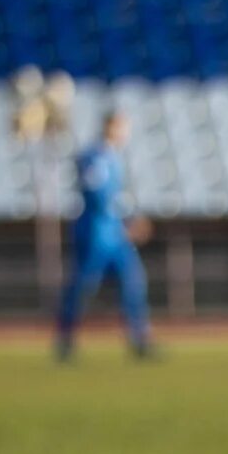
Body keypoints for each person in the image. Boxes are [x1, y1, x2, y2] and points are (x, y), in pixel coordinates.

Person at [52, 111, 155, 362]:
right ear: (111, 127)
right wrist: (127, 220)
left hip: (114, 233)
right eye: (122, 128)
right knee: (83, 285)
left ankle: (140, 339)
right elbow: (99, 196)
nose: (125, 134)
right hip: (96, 232)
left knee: (133, 281)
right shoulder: (94, 157)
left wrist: (128, 219)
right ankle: (66, 339)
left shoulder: (112, 158)